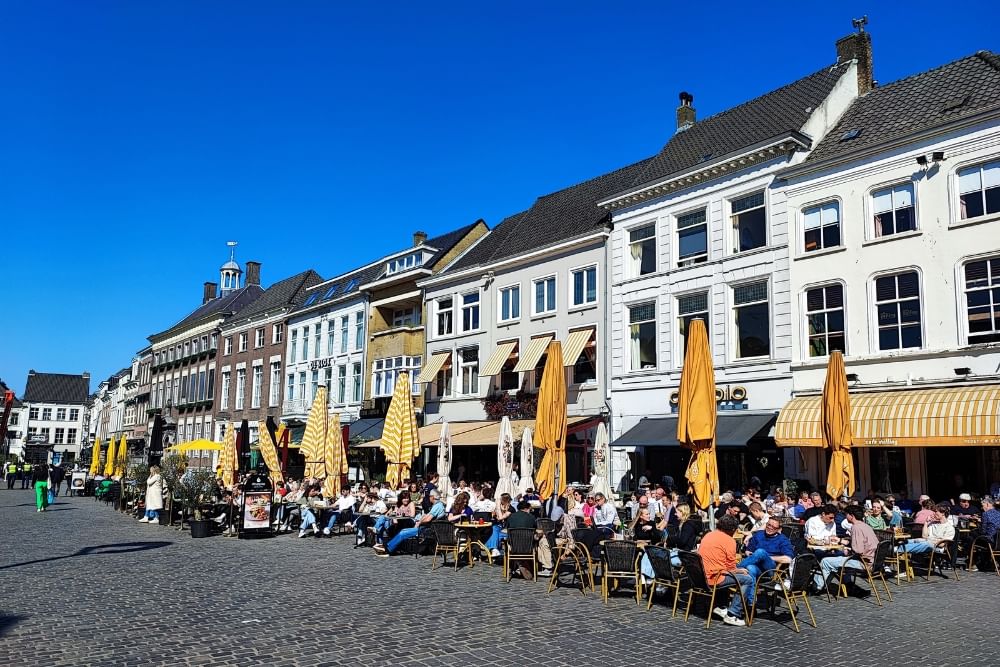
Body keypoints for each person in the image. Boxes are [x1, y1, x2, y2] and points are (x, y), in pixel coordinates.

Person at [699, 515, 753, 626]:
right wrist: (740, 570)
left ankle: (721, 606)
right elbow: (730, 568)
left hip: (701, 576)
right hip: (714, 578)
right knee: (747, 580)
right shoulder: (729, 541)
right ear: (732, 529)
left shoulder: (709, 535)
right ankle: (733, 614)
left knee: (726, 573)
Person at [815, 505, 879, 594]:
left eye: (847, 514)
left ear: (851, 516)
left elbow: (858, 550)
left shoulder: (856, 527)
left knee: (826, 561)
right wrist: (841, 541)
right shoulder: (866, 526)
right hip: (873, 561)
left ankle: (817, 587)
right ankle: (847, 584)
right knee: (837, 559)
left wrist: (848, 549)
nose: (845, 517)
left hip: (863, 563)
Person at [375, 489, 446, 555]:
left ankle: (388, 549)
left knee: (403, 533)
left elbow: (428, 519)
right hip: (428, 528)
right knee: (402, 530)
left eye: (430, 496)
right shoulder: (437, 505)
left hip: (428, 529)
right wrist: (420, 520)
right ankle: (390, 546)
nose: (429, 498)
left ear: (433, 497)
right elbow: (427, 516)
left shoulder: (438, 506)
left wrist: (419, 523)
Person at [505, 496, 554, 577]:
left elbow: (508, 528)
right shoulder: (531, 517)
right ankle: (538, 566)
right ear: (527, 508)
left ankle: (513, 567)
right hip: (528, 547)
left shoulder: (511, 517)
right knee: (539, 541)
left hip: (513, 547)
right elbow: (535, 529)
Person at [740, 517, 795, 583]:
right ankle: (749, 592)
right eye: (769, 525)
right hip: (756, 565)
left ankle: (736, 569)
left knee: (761, 552)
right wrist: (750, 554)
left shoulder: (783, 540)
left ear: (779, 529)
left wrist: (765, 557)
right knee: (750, 568)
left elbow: (788, 559)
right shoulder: (759, 534)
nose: (770, 528)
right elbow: (748, 550)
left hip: (770, 568)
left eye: (774, 527)